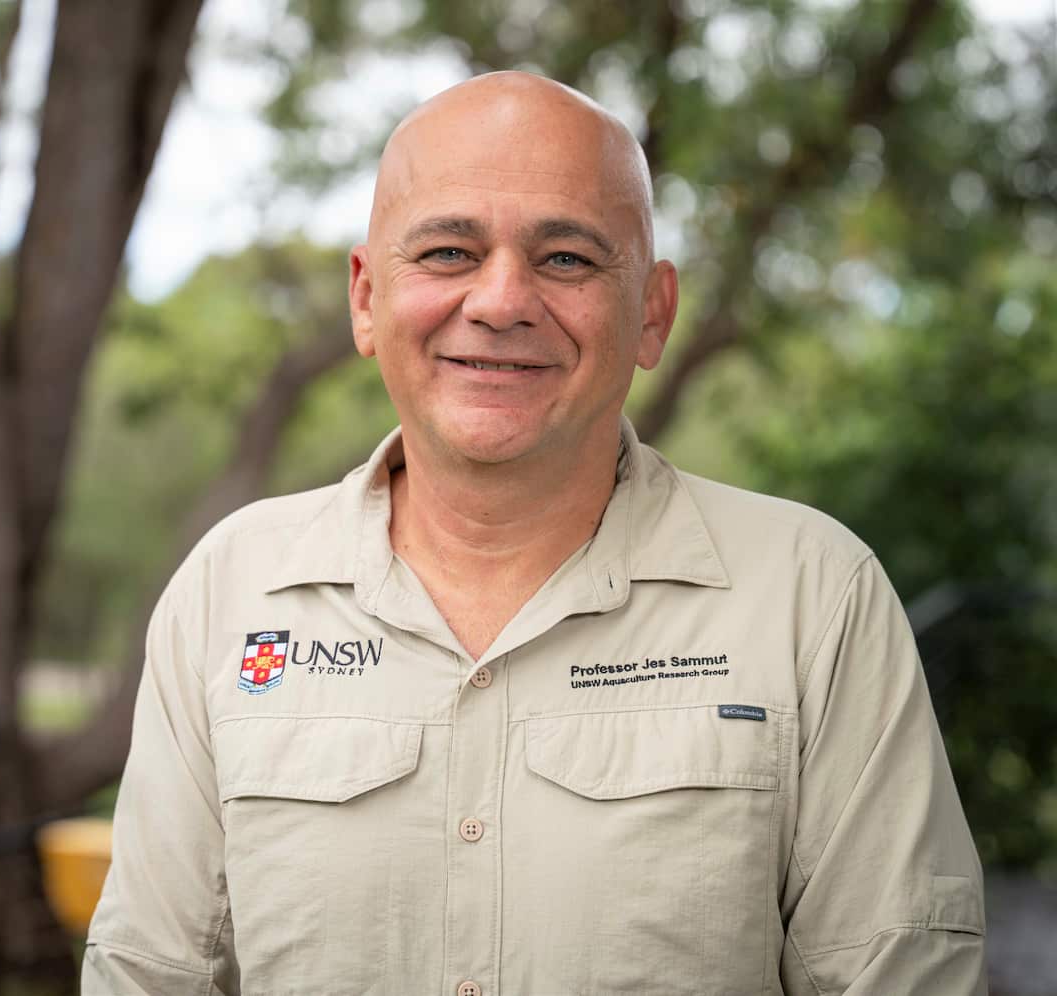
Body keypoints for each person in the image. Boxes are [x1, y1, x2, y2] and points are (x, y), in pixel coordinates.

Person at [82, 72, 986, 995]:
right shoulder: (229, 592)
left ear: (652, 311)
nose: (502, 300)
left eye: (566, 259)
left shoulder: (813, 597)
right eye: (446, 252)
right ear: (364, 298)